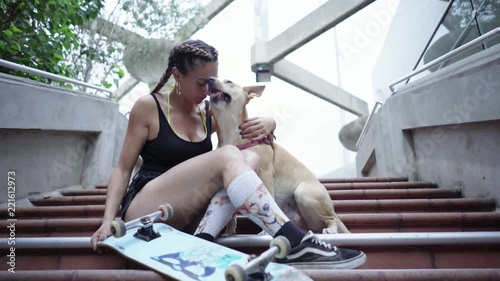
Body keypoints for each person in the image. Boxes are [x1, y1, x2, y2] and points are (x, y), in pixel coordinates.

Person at [91, 39, 366, 269]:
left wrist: (270, 122)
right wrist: (107, 220)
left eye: (211, 83)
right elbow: (123, 170)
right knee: (228, 156)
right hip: (149, 207)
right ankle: (293, 242)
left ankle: (204, 242)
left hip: (191, 213)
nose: (209, 91)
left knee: (249, 158)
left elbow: (238, 123)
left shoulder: (207, 113)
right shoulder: (148, 107)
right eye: (201, 84)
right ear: (177, 76)